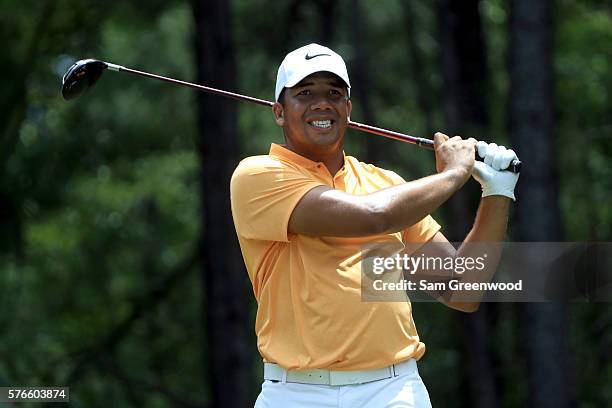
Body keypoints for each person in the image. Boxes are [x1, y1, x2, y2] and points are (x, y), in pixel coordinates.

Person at [230, 43, 519, 408]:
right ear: (279, 111)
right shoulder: (258, 175)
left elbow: (463, 289)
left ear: (348, 110)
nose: (322, 103)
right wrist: (456, 173)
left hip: (391, 392)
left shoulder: (387, 185)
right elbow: (372, 216)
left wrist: (497, 191)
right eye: (305, 93)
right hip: (294, 393)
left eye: (334, 93)